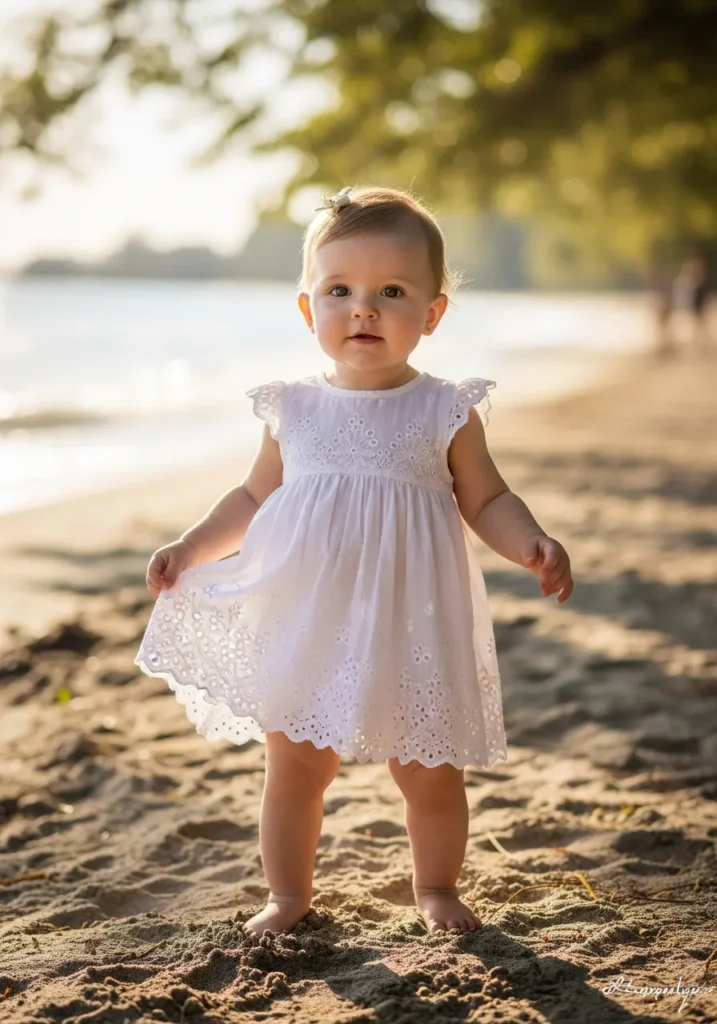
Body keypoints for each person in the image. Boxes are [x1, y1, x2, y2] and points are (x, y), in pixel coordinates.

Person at [135, 185, 574, 939]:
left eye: (390, 291)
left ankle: (434, 888)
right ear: (308, 310)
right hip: (306, 617)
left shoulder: (444, 409)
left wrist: (528, 540)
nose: (362, 309)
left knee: (428, 771)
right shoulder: (293, 410)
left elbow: (487, 498)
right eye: (338, 290)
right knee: (295, 767)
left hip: (412, 622)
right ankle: (287, 895)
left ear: (431, 313)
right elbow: (250, 498)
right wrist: (191, 546)